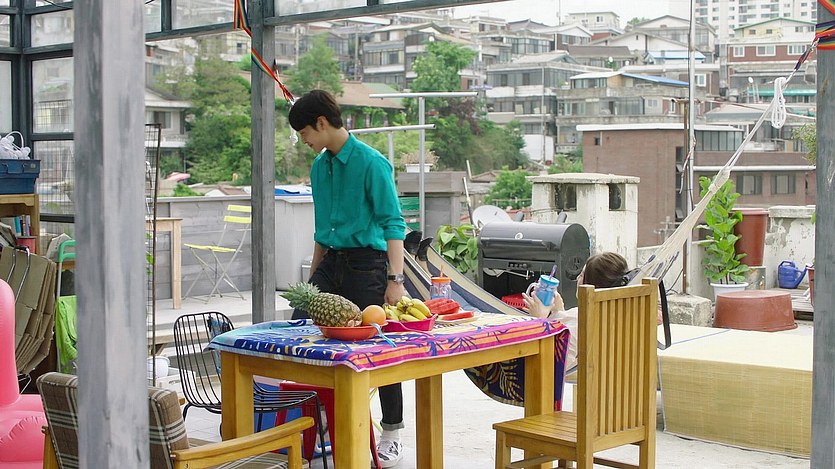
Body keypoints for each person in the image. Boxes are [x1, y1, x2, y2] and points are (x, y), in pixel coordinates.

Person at [288, 89, 407, 468]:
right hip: (330, 262)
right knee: (299, 332)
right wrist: (312, 279)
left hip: (367, 264)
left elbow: (393, 224)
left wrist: (396, 279)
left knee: (376, 348)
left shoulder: (372, 164)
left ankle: (391, 433)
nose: (303, 140)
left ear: (321, 123)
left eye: (304, 132)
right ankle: (319, 419)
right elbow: (321, 230)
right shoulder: (318, 167)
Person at [523, 252, 636, 372]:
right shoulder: (616, 317)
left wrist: (539, 320)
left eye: (581, 275)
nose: (577, 278)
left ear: (594, 287)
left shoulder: (582, 323)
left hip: (567, 380)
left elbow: (550, 366)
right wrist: (559, 312)